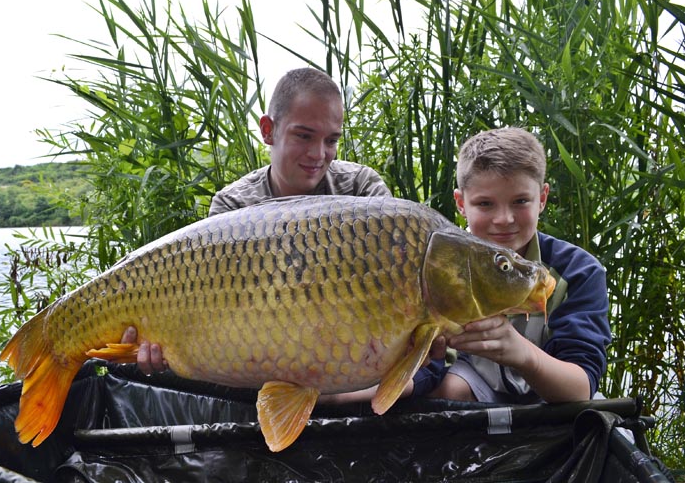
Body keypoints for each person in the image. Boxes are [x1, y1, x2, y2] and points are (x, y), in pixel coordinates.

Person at [123, 67, 391, 374]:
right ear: (268, 130)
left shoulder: (362, 191)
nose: (319, 154)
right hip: (264, 364)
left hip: (346, 353)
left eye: (331, 140)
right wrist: (167, 345)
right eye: (303, 136)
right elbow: (217, 323)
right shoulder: (233, 207)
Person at [411, 127, 611, 403]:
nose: (504, 219)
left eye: (520, 201)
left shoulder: (578, 271)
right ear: (461, 203)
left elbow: (580, 387)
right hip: (472, 388)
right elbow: (428, 370)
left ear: (541, 198)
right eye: (485, 204)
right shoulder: (441, 267)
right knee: (448, 390)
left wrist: (521, 353)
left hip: (556, 397)